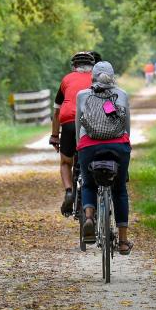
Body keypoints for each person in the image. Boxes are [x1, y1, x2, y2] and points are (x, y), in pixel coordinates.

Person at [75, 61, 133, 254]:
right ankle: (123, 241)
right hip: (118, 146)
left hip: (89, 147)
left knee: (89, 184)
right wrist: (125, 144)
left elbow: (78, 126)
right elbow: (127, 127)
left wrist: (79, 147)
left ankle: (89, 217)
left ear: (92, 76)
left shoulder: (83, 95)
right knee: (120, 189)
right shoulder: (122, 94)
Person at [50, 51, 96, 215]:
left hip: (69, 121)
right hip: (91, 121)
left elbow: (56, 112)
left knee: (65, 162)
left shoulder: (66, 79)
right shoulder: (96, 78)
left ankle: (69, 191)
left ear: (74, 67)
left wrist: (55, 136)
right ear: (93, 66)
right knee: (92, 155)